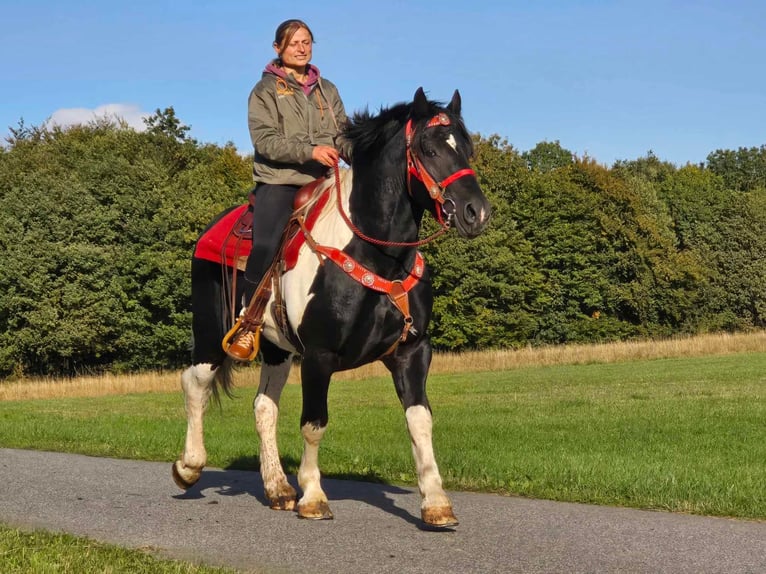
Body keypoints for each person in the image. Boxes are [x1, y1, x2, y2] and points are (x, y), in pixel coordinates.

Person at [226, 19, 352, 361]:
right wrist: (310, 152)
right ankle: (248, 322)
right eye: (294, 42)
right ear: (277, 48)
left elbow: (343, 135)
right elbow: (265, 141)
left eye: (307, 41)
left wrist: (363, 155)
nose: (302, 47)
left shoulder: (328, 89)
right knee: (266, 243)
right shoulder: (264, 91)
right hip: (280, 182)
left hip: (325, 181)